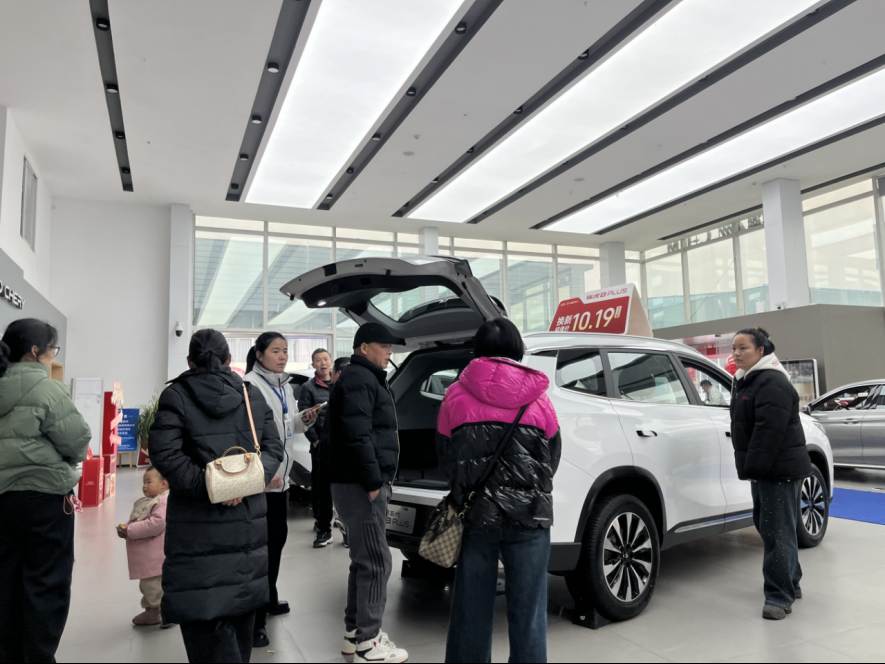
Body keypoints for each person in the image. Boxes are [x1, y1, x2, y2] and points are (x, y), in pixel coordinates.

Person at [150, 329, 284, 663]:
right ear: (229, 359)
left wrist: (212, 487)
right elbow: (273, 448)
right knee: (240, 613)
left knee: (203, 617)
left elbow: (165, 454)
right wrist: (239, 485)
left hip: (195, 528)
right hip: (246, 526)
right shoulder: (251, 395)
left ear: (190, 361)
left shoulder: (176, 395)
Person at [436, 318, 561, 663]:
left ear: (478, 350)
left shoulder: (454, 395)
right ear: (517, 350)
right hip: (530, 517)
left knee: (470, 609)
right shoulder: (540, 398)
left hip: (476, 517)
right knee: (530, 612)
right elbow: (551, 457)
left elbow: (445, 457)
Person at [0, 319, 91, 662]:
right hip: (45, 500)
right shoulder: (48, 389)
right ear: (35, 351)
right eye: (53, 349)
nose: (54, 356)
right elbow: (77, 442)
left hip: (2, 499)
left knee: (5, 580)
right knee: (47, 582)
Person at [329, 324, 408, 664]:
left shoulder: (363, 377)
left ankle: (355, 634)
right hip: (360, 485)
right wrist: (373, 481)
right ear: (364, 347)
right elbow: (357, 434)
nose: (389, 351)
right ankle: (369, 644)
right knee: (377, 561)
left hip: (354, 482)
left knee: (363, 559)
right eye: (384, 345)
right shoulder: (360, 378)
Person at [730, 327, 812, 621]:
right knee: (774, 528)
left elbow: (769, 432)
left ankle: (779, 597)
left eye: (743, 348)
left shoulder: (771, 382)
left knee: (776, 531)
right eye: (734, 348)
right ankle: (792, 582)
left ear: (761, 351)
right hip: (769, 469)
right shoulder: (748, 379)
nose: (736, 353)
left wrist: (754, 468)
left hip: (778, 470)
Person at [242, 331, 318, 648]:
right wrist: (265, 471)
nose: (283, 356)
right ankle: (255, 621)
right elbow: (249, 435)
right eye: (275, 350)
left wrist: (303, 419)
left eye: (285, 350)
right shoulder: (250, 386)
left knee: (276, 544)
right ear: (259, 354)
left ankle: (269, 598)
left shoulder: (283, 385)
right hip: (264, 484)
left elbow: (285, 426)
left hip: (281, 482)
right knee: (262, 552)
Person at [118, 466, 171, 628]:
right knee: (148, 586)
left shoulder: (163, 502)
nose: (144, 486)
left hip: (154, 557)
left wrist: (130, 530)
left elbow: (156, 524)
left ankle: (162, 613)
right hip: (146, 558)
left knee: (154, 587)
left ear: (163, 484)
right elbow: (138, 518)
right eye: (143, 482)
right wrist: (125, 527)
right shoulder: (149, 501)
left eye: (149, 482)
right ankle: (152, 611)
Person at [299, 348, 334, 548]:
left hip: (339, 444)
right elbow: (303, 417)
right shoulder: (308, 387)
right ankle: (323, 526)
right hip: (320, 444)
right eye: (318, 360)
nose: (323, 363)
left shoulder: (338, 384)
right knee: (321, 488)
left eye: (325, 359)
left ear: (331, 362)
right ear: (313, 364)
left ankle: (341, 526)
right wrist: (315, 440)